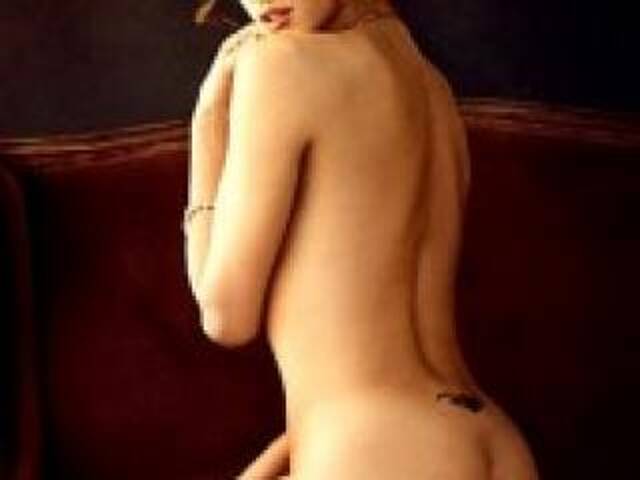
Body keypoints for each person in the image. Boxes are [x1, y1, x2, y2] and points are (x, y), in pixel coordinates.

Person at [184, 0, 540, 478]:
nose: (263, 2)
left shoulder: (280, 64)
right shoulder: (429, 83)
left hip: (374, 443)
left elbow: (226, 318)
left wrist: (208, 127)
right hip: (493, 440)